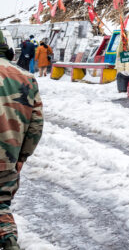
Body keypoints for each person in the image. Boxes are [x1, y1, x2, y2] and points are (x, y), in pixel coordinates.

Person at [0, 31, 43, 250]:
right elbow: (36, 124)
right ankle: (9, 241)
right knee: (1, 204)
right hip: (7, 158)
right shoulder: (26, 77)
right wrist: (22, 156)